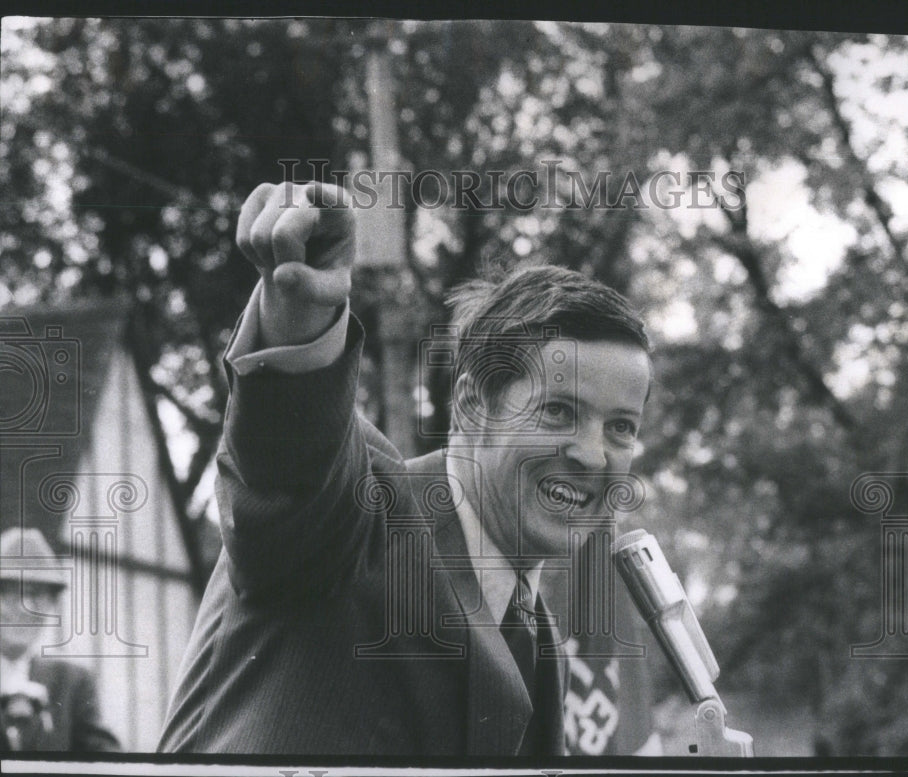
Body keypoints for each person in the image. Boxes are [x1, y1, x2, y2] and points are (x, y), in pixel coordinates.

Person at [158, 181, 651, 755]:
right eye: (559, 411)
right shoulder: (358, 510)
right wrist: (300, 314)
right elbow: (289, 461)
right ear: (471, 403)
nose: (592, 454)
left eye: (621, 426)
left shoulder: (539, 642)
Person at [0, 528, 121, 752]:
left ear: (51, 604)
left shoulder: (72, 683)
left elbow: (109, 764)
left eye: (35, 595)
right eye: (7, 593)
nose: (23, 607)